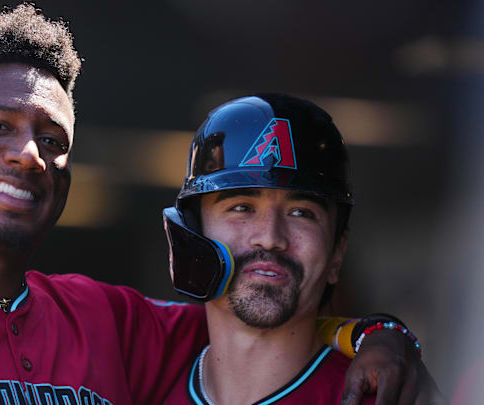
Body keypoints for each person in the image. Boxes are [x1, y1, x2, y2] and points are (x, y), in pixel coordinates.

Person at [0, 5, 432, 405]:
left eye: (52, 138)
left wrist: (379, 336)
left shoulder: (108, 318)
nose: (28, 152)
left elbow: (264, 307)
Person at [162, 94, 444, 404]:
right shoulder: (141, 364)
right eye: (242, 207)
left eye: (302, 213)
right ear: (192, 234)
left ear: (337, 253)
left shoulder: (381, 398)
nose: (270, 237)